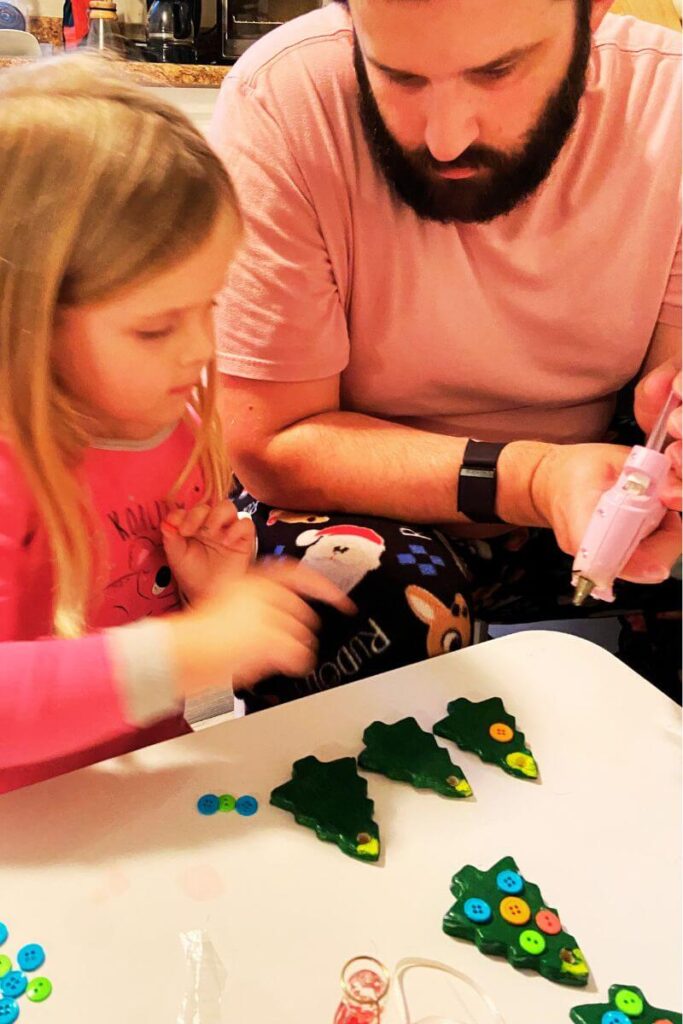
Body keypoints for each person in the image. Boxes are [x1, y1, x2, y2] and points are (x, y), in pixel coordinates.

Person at [209, 0, 682, 707]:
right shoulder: (283, 100)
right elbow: (272, 444)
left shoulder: (667, 103)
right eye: (396, 77)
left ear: (594, 14)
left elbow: (665, 386)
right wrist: (536, 479)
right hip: (355, 496)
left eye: (497, 71)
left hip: (603, 478)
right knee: (345, 590)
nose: (444, 141)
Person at [0, 55, 354, 794]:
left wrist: (210, 593)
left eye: (210, 304)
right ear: (24, 325)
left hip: (136, 794)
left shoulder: (172, 424)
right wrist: (187, 649)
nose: (200, 351)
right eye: (157, 327)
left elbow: (159, 660)